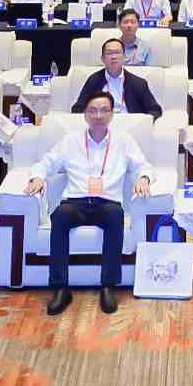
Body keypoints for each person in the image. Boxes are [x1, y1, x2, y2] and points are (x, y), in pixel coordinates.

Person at [33, 90, 150, 317]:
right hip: (76, 201)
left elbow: (143, 165)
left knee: (115, 216)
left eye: (104, 110)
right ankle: (60, 288)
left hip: (107, 202)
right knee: (59, 216)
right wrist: (38, 177)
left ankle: (108, 286)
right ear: (85, 115)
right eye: (93, 111)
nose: (98, 116)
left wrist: (143, 178)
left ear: (112, 114)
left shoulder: (124, 141)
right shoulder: (71, 141)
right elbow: (47, 162)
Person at [73, 40, 161, 119]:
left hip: (129, 125)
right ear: (103, 59)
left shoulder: (138, 83)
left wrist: (142, 122)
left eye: (117, 52)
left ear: (124, 57)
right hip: (102, 124)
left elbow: (155, 110)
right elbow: (78, 108)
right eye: (109, 53)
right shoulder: (93, 80)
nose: (113, 57)